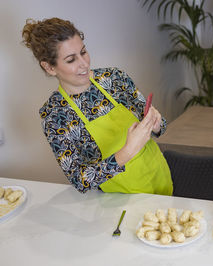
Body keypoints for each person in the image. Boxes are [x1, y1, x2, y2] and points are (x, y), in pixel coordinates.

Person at [22, 18, 173, 195]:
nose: (84, 63)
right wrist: (127, 151)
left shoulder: (115, 78)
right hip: (118, 201)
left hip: (159, 178)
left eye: (83, 52)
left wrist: (156, 123)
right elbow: (80, 180)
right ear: (49, 67)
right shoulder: (54, 115)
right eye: (71, 60)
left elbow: (160, 126)